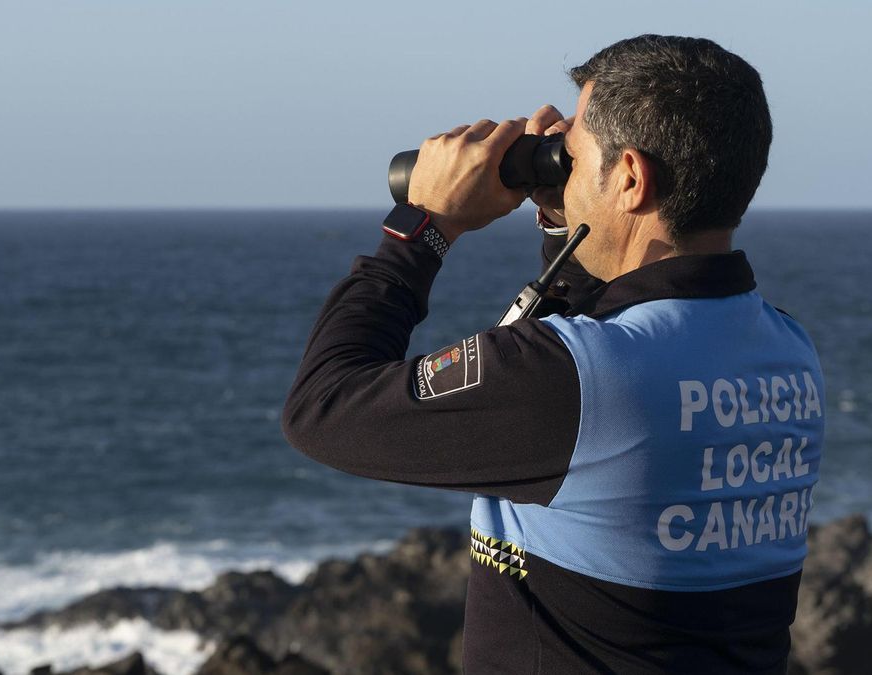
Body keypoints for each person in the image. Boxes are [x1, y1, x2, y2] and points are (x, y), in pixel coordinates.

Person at [282, 34, 824, 674]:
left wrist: (424, 225)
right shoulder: (787, 352)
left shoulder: (577, 379)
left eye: (570, 155)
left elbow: (325, 410)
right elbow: (615, 337)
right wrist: (563, 221)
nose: (559, 166)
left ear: (627, 177)